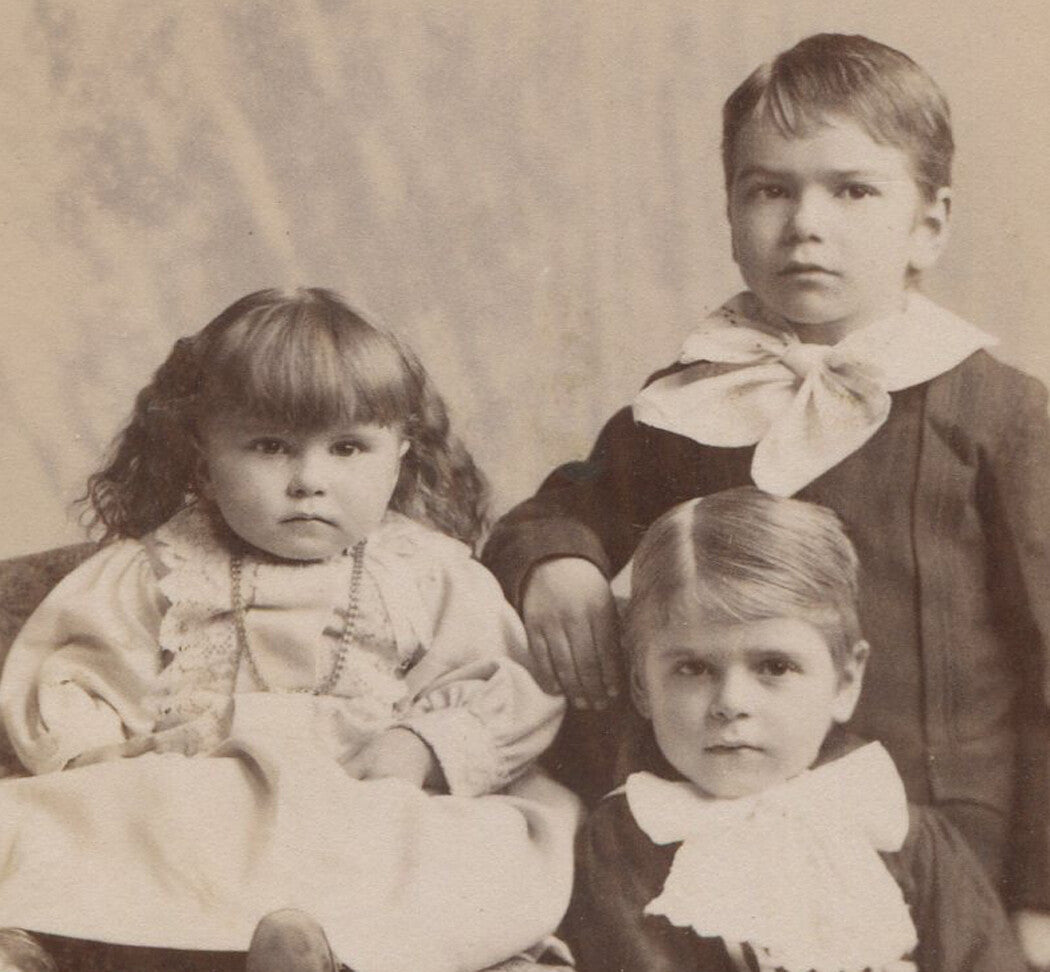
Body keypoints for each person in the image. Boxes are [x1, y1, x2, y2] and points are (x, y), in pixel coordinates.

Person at [481, 32, 1050, 965]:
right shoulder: (694, 400)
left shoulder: (998, 414)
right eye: (769, 189)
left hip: (934, 846)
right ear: (732, 210)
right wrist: (561, 562)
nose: (804, 224)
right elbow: (559, 508)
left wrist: (1038, 894)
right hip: (714, 829)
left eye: (852, 189)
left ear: (930, 224)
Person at [0, 288, 577, 972]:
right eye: (271, 446)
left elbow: (500, 684)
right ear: (201, 456)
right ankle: (85, 947)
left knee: (460, 845)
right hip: (200, 800)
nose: (309, 480)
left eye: (347, 448)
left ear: (401, 452)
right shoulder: (159, 567)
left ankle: (314, 951)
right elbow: (76, 670)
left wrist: (422, 743)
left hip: (363, 797)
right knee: (72, 826)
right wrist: (94, 755)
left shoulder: (428, 572)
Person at [561, 488, 1026, 972]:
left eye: (775, 666)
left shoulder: (900, 834)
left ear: (846, 681)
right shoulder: (626, 843)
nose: (731, 704)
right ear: (642, 686)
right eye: (693, 668)